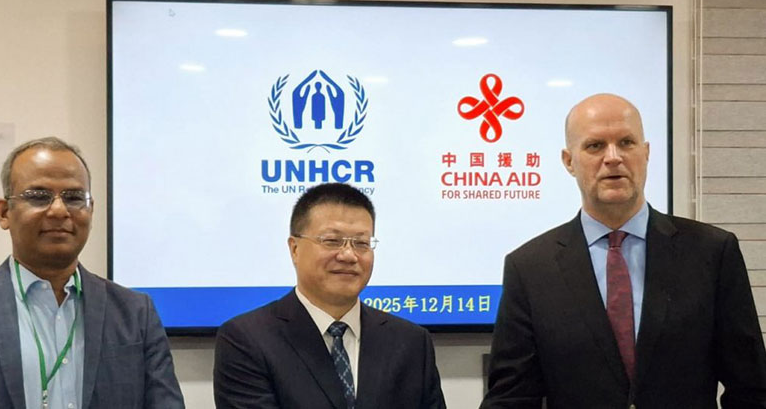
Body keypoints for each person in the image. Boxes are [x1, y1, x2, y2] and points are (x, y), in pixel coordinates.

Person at [481, 94, 766, 408]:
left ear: (646, 153)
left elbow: (751, 387)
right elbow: (512, 398)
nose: (613, 157)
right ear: (569, 161)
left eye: (627, 142)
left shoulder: (712, 252)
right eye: (595, 146)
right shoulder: (530, 268)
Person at [0, 137, 184, 408]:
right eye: (38, 196)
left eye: (74, 197)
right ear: (4, 213)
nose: (59, 210)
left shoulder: (136, 313)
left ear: (91, 210)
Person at [214, 182, 446, 409]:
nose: (348, 255)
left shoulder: (412, 342)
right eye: (332, 241)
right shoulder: (247, 339)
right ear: (294, 249)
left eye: (361, 243)